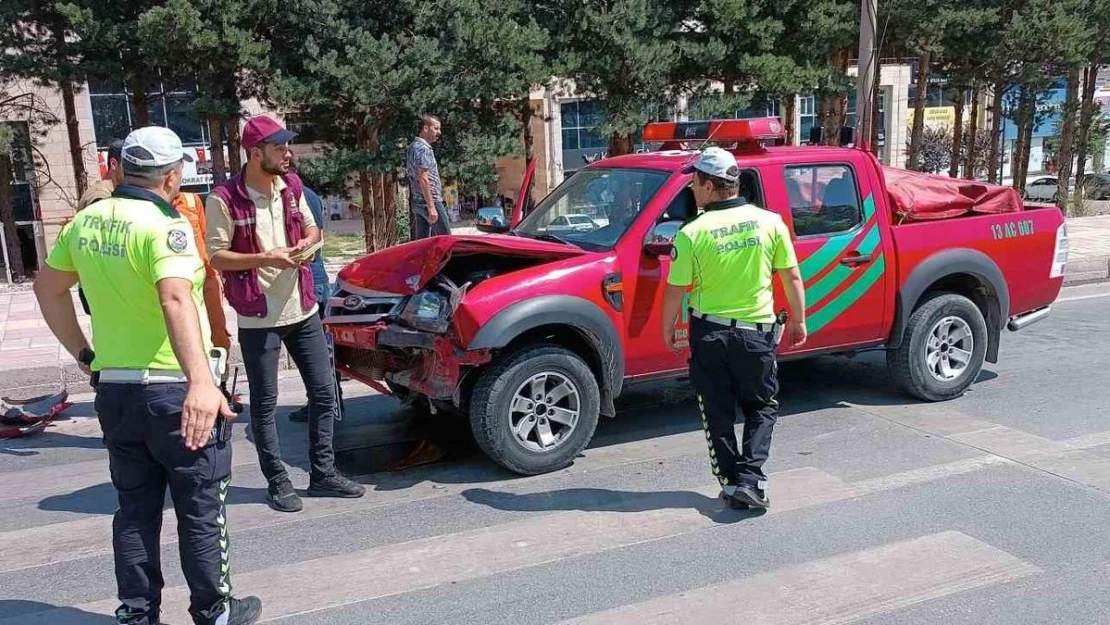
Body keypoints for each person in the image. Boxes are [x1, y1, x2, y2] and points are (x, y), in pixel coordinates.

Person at [33, 126, 262, 625]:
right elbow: (175, 297)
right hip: (175, 391)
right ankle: (214, 610)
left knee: (134, 509)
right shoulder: (167, 226)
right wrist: (202, 382)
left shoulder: (87, 222)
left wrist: (84, 354)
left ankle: (137, 614)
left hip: (115, 390)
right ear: (174, 175)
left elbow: (47, 288)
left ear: (121, 167)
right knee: (200, 507)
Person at [206, 114, 364, 514]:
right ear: (257, 153)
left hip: (303, 307)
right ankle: (277, 480)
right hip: (259, 316)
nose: (288, 154)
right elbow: (217, 257)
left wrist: (307, 246)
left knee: (325, 393)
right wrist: (266, 257)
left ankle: (323, 473)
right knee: (264, 403)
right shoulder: (224, 198)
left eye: (287, 146)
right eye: (280, 148)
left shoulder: (291, 187)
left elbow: (314, 231)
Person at [661, 147, 807, 511]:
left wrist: (669, 327)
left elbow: (676, 289)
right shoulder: (770, 222)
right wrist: (800, 319)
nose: (692, 189)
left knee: (716, 410)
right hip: (756, 333)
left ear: (709, 186)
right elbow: (790, 274)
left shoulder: (691, 233)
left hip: (708, 333)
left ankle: (732, 481)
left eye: (695, 182)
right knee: (761, 406)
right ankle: (751, 478)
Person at [287, 175, 344, 423]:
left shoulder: (293, 195)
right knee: (323, 347)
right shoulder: (308, 194)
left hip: (308, 276)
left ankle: (324, 403)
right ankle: (331, 399)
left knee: (315, 349)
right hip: (317, 276)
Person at [406, 114, 451, 239]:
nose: (439, 132)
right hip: (431, 201)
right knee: (446, 239)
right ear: (425, 128)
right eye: (436, 128)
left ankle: (422, 259)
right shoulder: (424, 149)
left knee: (423, 242)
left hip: (418, 201)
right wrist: (431, 207)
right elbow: (423, 178)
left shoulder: (412, 147)